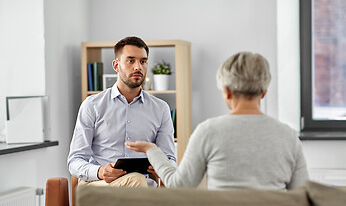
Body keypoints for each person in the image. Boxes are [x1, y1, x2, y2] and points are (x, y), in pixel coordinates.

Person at [126, 52, 309, 191]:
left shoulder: (208, 131)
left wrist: (152, 150)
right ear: (263, 92)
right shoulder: (288, 136)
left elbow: (179, 185)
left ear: (227, 91)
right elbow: (302, 195)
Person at [68, 36, 176, 188]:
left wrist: (162, 167)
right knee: (137, 181)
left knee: (139, 181)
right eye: (131, 61)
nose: (138, 67)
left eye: (143, 61)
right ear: (116, 65)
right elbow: (75, 160)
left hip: (142, 186)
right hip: (99, 185)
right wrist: (99, 171)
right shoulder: (92, 105)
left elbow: (170, 158)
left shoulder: (160, 108)